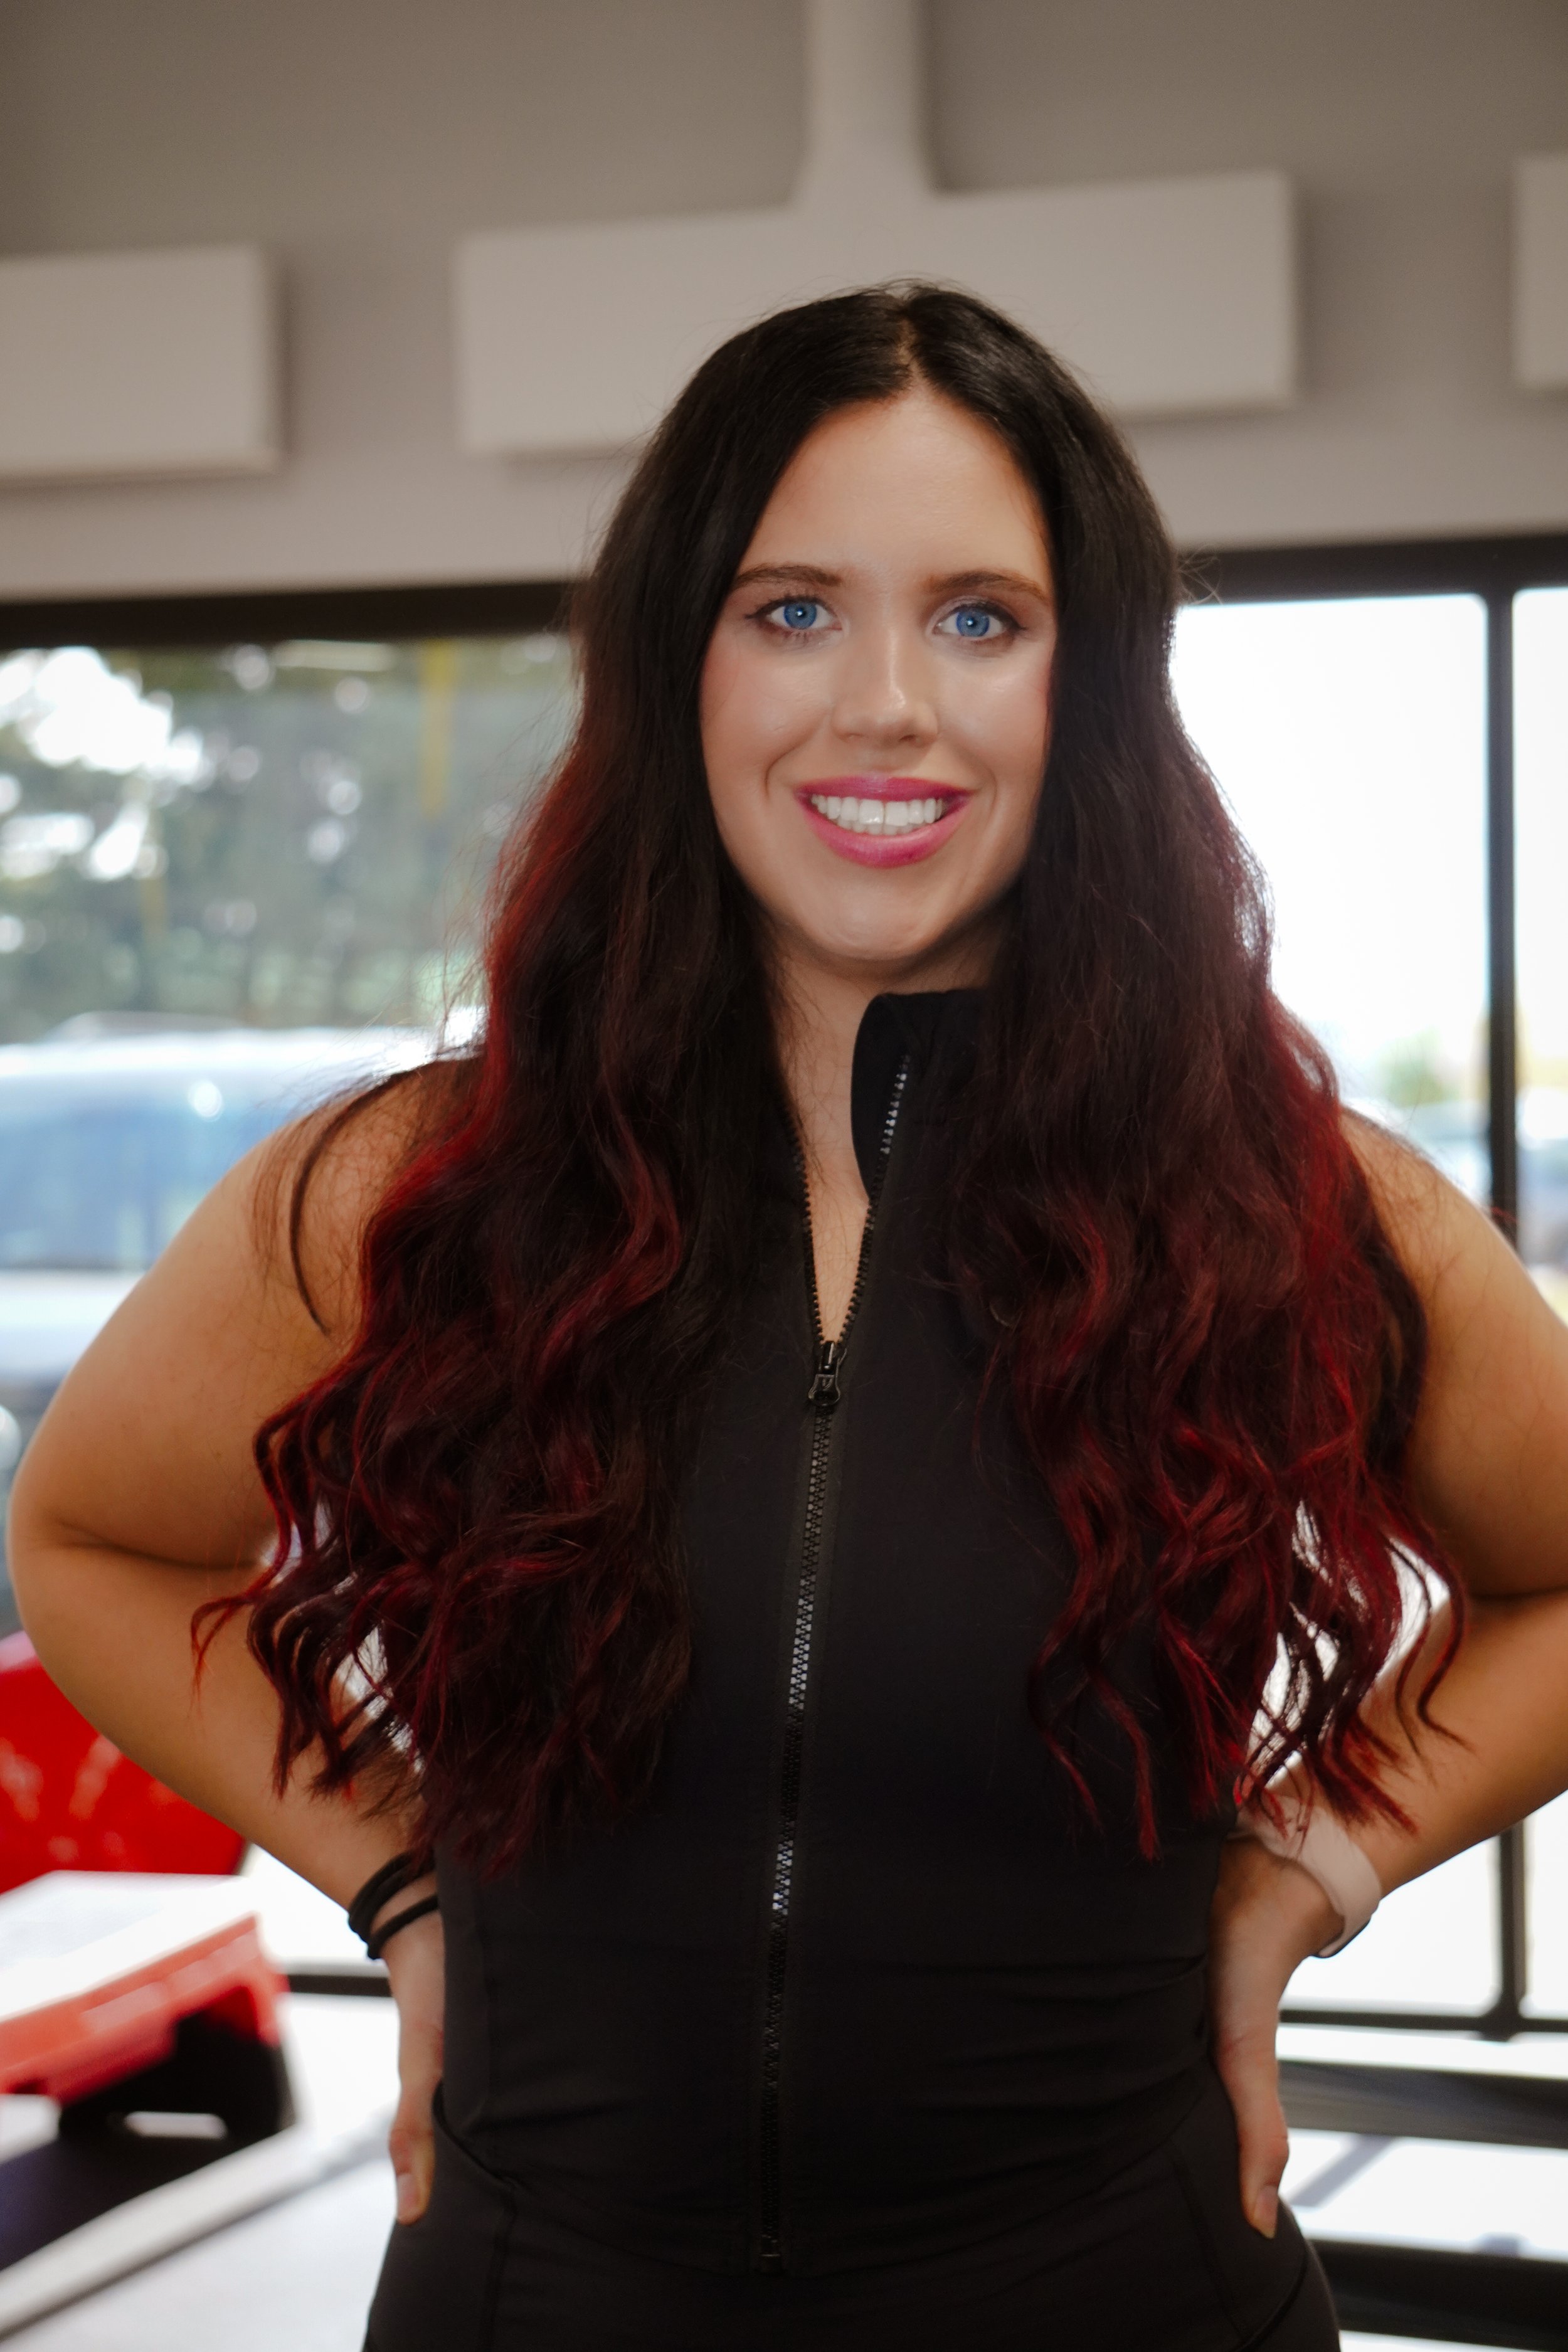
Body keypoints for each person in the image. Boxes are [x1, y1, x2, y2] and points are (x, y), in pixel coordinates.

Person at [13, 285, 1568, 2352]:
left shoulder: (1291, 1204)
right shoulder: (416, 1188)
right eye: (794, 611)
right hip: (536, 2299)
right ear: (678, 665)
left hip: (1123, 2298)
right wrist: (398, 1889)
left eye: (981, 619)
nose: (888, 708)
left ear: (1087, 688)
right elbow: (89, 1540)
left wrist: (1311, 1871)